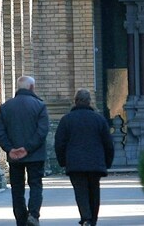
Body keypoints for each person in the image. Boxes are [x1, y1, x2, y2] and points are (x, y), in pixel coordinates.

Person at [54, 88, 114, 226]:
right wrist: (107, 162)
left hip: (75, 163)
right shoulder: (99, 119)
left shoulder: (66, 120)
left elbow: (59, 143)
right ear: (89, 102)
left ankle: (86, 217)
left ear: (75, 101)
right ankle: (93, 219)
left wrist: (63, 161)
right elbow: (108, 143)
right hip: (95, 162)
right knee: (94, 191)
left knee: (80, 191)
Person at [0, 76, 49, 226]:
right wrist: (27, 148)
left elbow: (0, 132)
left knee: (17, 188)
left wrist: (10, 149)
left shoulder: (6, 107)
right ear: (31, 87)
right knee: (36, 185)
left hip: (14, 157)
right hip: (35, 155)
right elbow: (42, 131)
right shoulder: (39, 106)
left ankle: (21, 220)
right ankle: (33, 214)